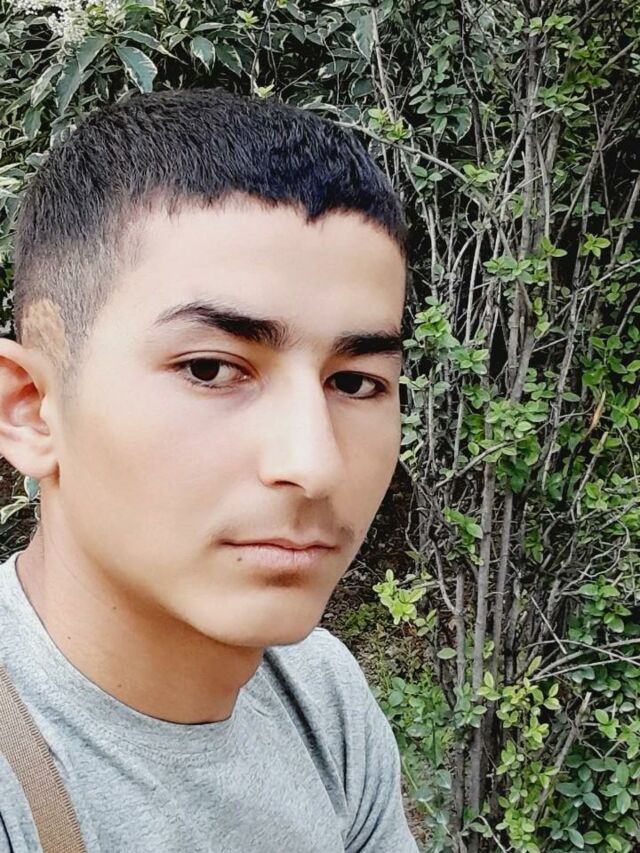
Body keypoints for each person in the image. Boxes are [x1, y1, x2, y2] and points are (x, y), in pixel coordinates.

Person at [0, 87, 417, 852]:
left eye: (355, 382)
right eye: (210, 368)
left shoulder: (320, 699)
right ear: (31, 408)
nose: (314, 463)